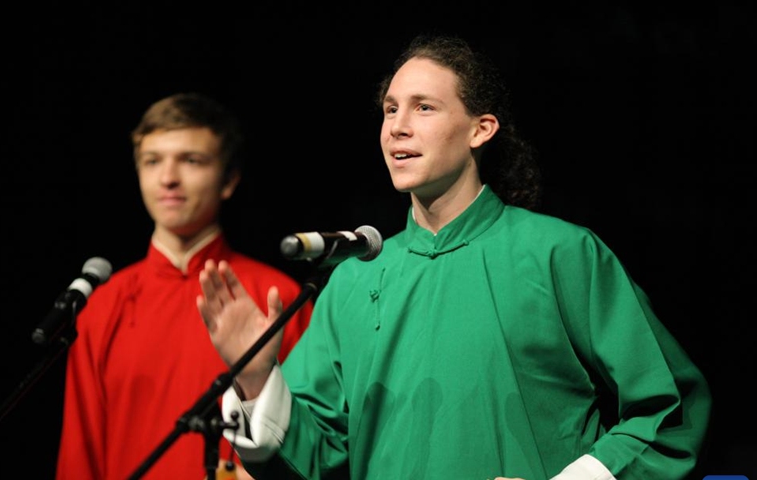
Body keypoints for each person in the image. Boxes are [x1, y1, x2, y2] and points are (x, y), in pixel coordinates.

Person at [196, 34, 712, 479]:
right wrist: (258, 378)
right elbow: (320, 461)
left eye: (423, 107)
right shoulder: (354, 279)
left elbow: (670, 411)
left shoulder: (561, 253)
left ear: (480, 129)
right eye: (390, 108)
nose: (397, 125)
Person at [55, 92, 313, 480]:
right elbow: (80, 453)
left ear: (229, 179)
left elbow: (307, 444)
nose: (168, 178)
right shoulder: (103, 303)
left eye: (191, 161)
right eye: (152, 161)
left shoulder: (277, 297)